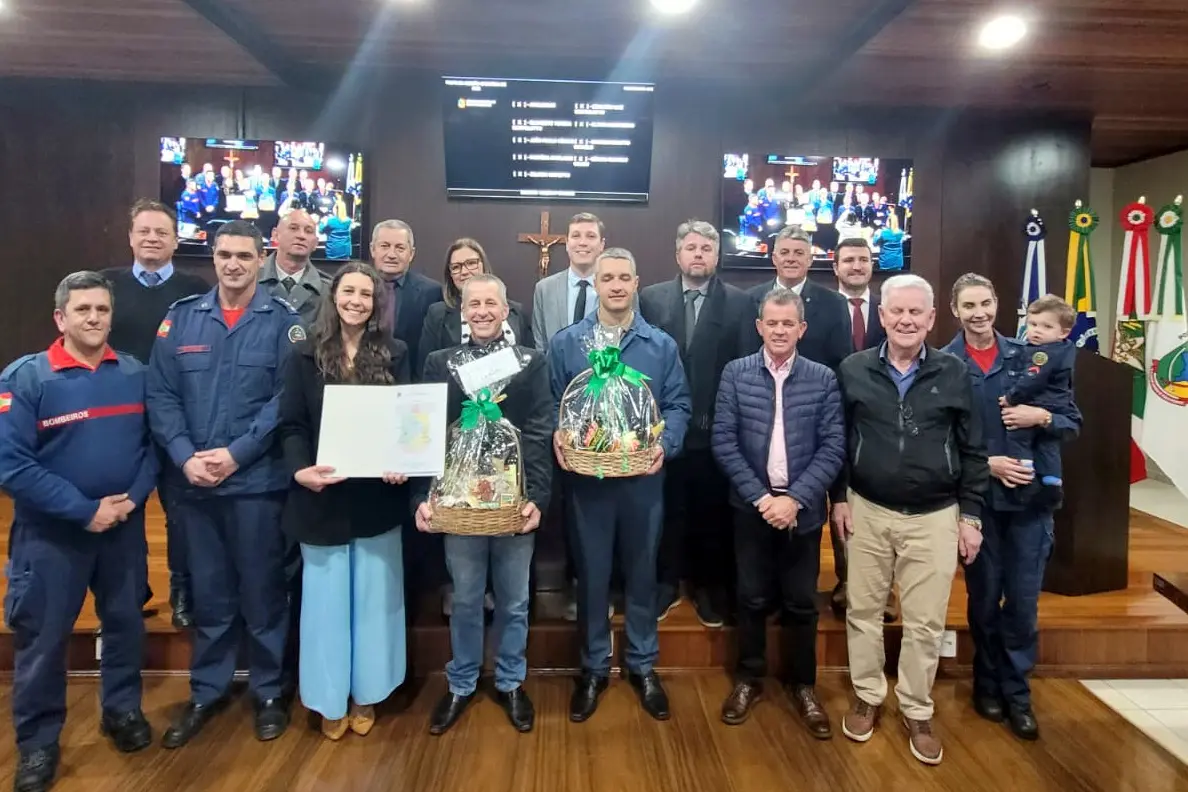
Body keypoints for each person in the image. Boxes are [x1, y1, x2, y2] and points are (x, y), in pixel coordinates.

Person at [147, 220, 303, 747]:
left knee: (263, 594)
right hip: (194, 485)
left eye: (243, 255)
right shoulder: (182, 321)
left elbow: (285, 402)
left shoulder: (283, 323)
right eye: (223, 255)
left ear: (262, 259)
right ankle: (206, 692)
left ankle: (268, 692)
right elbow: (161, 396)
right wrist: (184, 456)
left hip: (256, 483)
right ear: (212, 259)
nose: (233, 264)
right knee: (210, 596)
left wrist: (236, 455)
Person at [0, 272, 158, 792]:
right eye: (83, 309)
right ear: (60, 318)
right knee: (43, 640)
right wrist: (84, 510)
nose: (94, 318)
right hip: (51, 538)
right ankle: (39, 744)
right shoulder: (26, 379)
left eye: (102, 310)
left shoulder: (132, 373)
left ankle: (122, 711)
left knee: (124, 627)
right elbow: (11, 465)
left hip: (122, 531)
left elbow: (150, 450)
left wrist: (131, 501)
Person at [831, 273, 988, 766]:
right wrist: (838, 499)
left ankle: (917, 708)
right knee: (863, 611)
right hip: (868, 509)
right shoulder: (853, 369)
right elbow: (837, 440)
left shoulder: (954, 372)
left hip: (936, 515)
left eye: (915, 313)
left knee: (925, 622)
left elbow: (975, 448)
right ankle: (867, 696)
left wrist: (973, 517)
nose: (905, 320)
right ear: (881, 317)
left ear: (932, 319)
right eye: (896, 312)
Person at [548, 248, 691, 723]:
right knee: (591, 575)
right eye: (606, 277)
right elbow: (551, 404)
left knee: (641, 573)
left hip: (642, 483)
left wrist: (663, 445)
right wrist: (560, 436)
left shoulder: (660, 345)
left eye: (623, 278)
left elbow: (678, 406)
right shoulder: (569, 343)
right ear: (597, 282)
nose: (614, 285)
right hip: (588, 483)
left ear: (635, 283)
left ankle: (642, 665)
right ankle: (592, 668)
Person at [944, 274, 1082, 741]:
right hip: (980, 505)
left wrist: (1039, 416)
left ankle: (1017, 692)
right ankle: (986, 684)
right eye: (969, 305)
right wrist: (989, 463)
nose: (978, 312)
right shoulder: (945, 364)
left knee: (1022, 605)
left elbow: (1070, 419)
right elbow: (942, 441)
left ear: (998, 304)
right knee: (983, 602)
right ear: (954, 311)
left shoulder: (1033, 354)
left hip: (1029, 506)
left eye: (986, 302)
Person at [277, 262, 411, 741]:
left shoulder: (396, 352)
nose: (357, 301)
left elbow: (407, 421)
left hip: (378, 499)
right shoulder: (304, 355)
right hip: (323, 497)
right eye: (349, 292)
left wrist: (403, 459)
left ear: (378, 303)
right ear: (334, 298)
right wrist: (300, 471)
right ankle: (329, 698)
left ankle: (365, 695)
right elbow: (291, 424)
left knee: (375, 604)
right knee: (326, 607)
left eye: (367, 294)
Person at [415, 274, 554, 735]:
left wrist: (538, 496)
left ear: (506, 309)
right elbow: (426, 431)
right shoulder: (441, 363)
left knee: (515, 601)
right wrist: (425, 496)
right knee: (467, 598)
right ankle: (461, 682)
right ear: (463, 310)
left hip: (513, 504)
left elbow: (538, 431)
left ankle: (512, 681)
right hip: (458, 504)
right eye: (474, 304)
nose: (482, 312)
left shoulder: (529, 363)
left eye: (491, 303)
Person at [711, 288, 845, 736]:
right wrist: (763, 499)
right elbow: (724, 443)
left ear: (801, 329)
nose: (780, 330)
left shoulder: (823, 377)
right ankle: (749, 679)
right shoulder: (735, 373)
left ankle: (803, 685)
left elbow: (833, 447)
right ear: (760, 327)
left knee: (801, 602)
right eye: (773, 323)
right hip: (752, 507)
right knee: (749, 598)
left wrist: (795, 500)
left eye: (789, 323)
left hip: (802, 511)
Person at [640, 219, 758, 626]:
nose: (698, 255)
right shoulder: (651, 299)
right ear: (678, 254)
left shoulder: (741, 303)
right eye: (691, 248)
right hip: (664, 430)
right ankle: (667, 584)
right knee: (667, 511)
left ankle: (708, 588)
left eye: (706, 249)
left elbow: (745, 367)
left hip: (716, 430)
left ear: (716, 256)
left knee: (711, 514)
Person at [102, 199, 209, 629]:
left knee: (181, 511)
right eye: (144, 231)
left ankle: (183, 590)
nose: (152, 239)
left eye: (161, 232)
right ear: (130, 237)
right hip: (119, 418)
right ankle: (130, 593)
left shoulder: (195, 288)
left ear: (174, 240)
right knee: (123, 508)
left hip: (178, 420)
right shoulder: (105, 287)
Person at [749, 225, 853, 615]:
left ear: (812, 259)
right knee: (760, 522)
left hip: (815, 421)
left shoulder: (832, 304)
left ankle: (798, 595)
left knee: (807, 518)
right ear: (773, 257)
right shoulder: (753, 299)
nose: (791, 258)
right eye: (784, 252)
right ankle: (769, 595)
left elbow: (842, 362)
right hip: (763, 423)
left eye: (799, 252)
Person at [831, 237, 896, 622]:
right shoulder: (820, 308)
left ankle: (884, 591)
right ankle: (845, 582)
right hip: (831, 412)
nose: (857, 266)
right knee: (839, 502)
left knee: (876, 502)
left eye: (864, 260)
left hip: (878, 419)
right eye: (849, 260)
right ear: (835, 267)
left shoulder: (889, 309)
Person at [999, 294, 1077, 509]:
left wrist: (1011, 398)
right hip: (1054, 405)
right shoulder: (1063, 349)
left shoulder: (1043, 353)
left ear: (1064, 332)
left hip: (1044, 405)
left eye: (1046, 326)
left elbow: (1032, 379)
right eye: (1032, 324)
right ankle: (1052, 482)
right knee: (1047, 444)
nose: (1036, 330)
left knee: (1017, 433)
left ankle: (1024, 479)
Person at [417, 238, 531, 378]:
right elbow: (425, 366)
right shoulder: (437, 314)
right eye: (456, 267)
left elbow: (529, 358)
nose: (464, 271)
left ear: (483, 265)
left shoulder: (517, 311)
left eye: (471, 263)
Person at [370, 219, 442, 378]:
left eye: (400, 248)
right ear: (373, 249)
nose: (391, 254)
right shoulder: (357, 289)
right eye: (384, 246)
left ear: (411, 254)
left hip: (411, 382)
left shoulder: (432, 292)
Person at [531, 212, 607, 352]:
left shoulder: (615, 288)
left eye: (590, 236)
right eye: (576, 236)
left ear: (601, 245)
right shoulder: (545, 289)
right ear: (567, 243)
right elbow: (541, 345)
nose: (582, 242)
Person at [259, 207, 331, 329]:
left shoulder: (329, 291)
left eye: (308, 231)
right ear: (275, 235)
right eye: (293, 228)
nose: (301, 236)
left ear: (315, 243)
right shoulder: (250, 281)